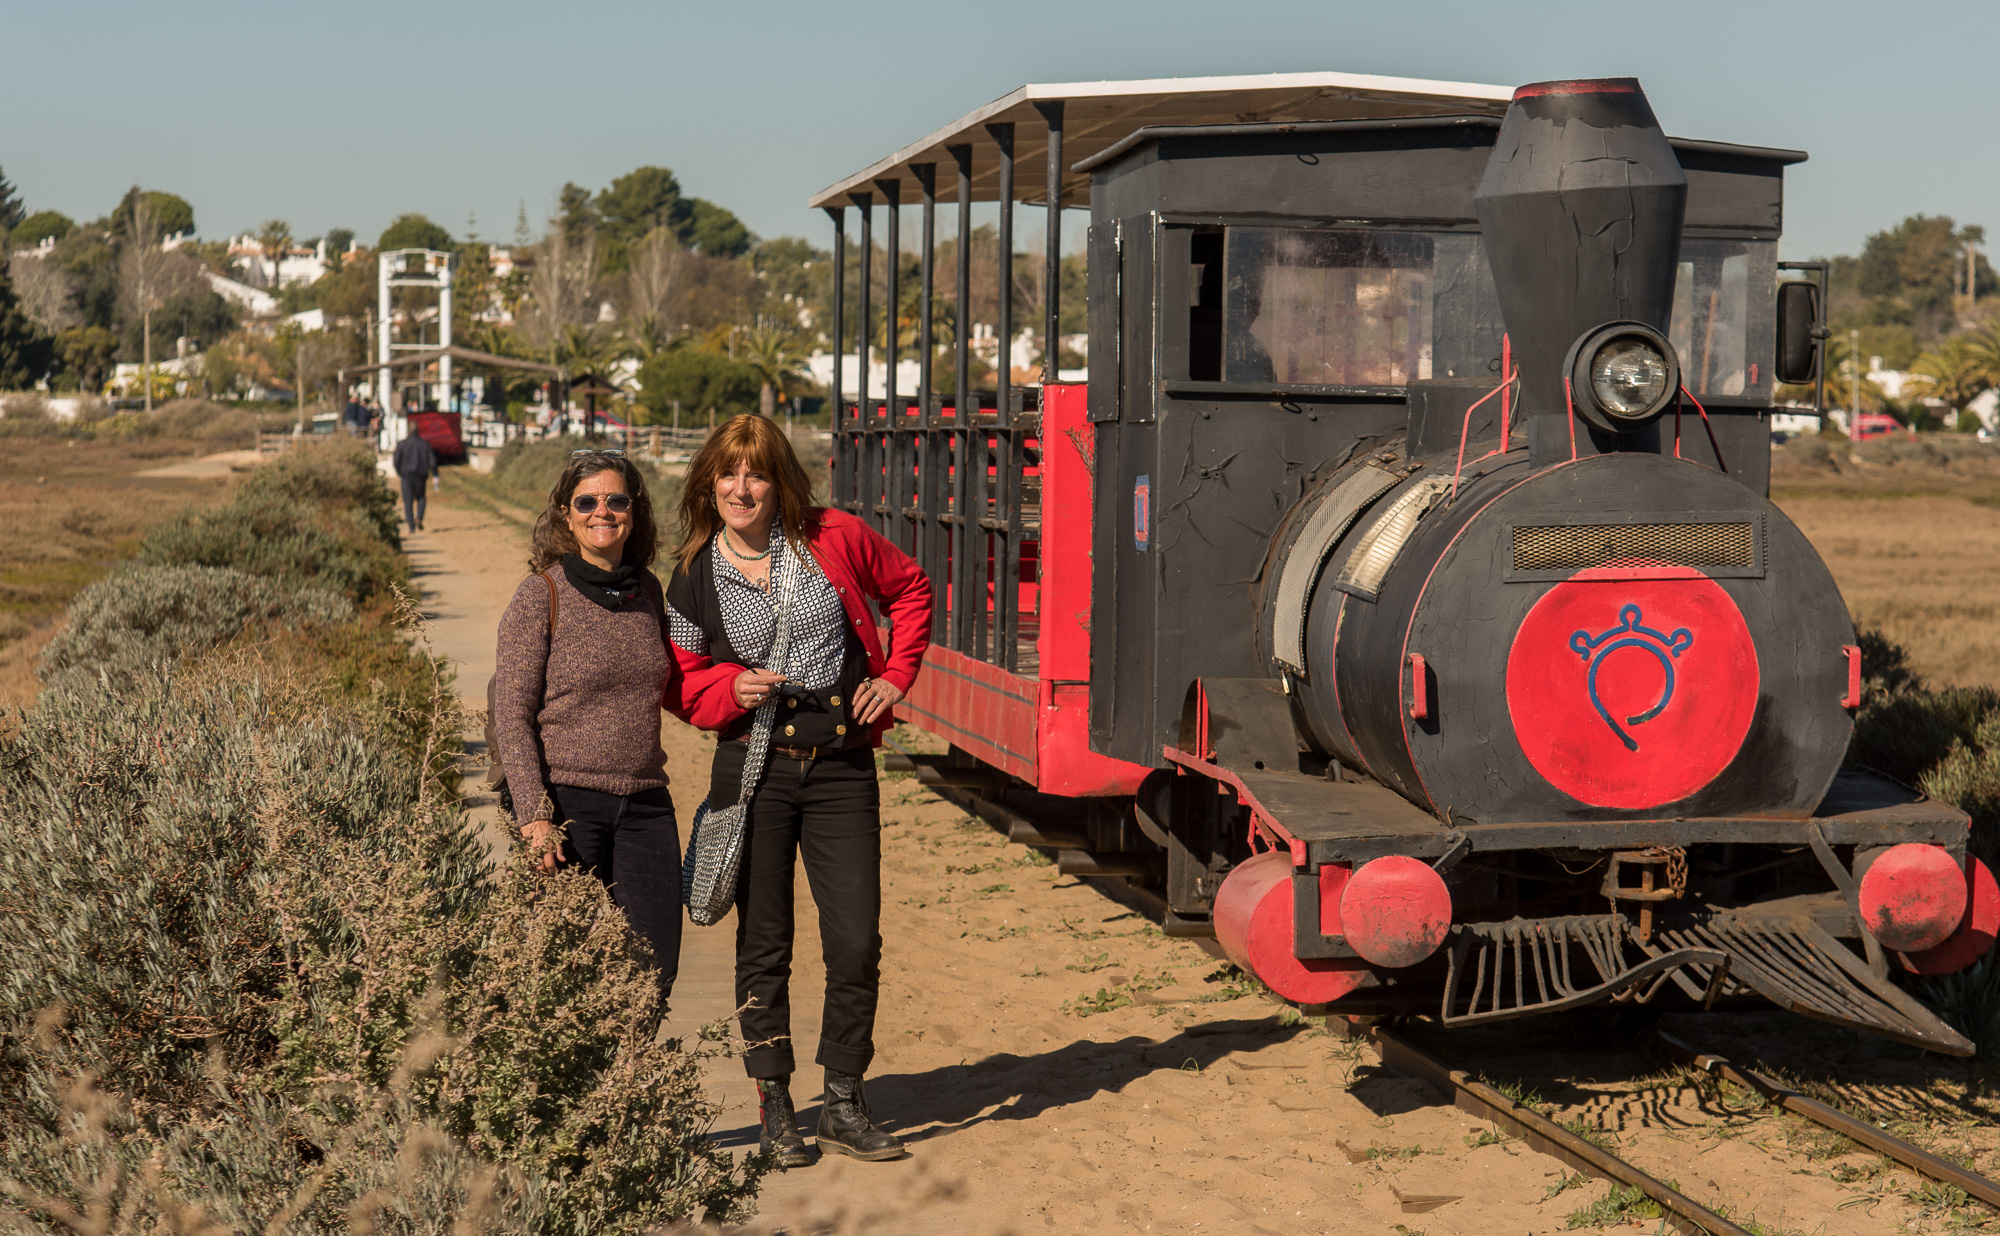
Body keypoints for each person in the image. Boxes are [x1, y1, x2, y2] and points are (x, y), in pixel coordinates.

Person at [665, 414, 931, 1169]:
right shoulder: (691, 573)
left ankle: (844, 1100)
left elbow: (910, 590)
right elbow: (680, 681)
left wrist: (893, 677)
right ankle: (776, 1103)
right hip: (753, 770)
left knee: (855, 940)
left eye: (755, 473)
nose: (741, 488)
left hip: (842, 764)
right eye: (727, 473)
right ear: (708, 484)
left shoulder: (833, 536)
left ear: (780, 480)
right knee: (764, 944)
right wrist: (731, 685)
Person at [492, 449, 682, 1005]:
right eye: (587, 502)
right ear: (565, 514)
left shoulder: (648, 591)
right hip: (567, 805)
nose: (603, 511)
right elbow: (512, 714)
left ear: (634, 511)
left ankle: (626, 1085)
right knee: (559, 968)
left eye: (616, 500)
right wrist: (534, 817)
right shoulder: (540, 596)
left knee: (653, 971)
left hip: (645, 802)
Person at [392, 427, 439, 532]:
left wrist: (399, 472)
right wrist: (435, 474)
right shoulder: (425, 444)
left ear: (407, 431)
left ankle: (411, 527)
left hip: (406, 476)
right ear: (418, 431)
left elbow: (396, 460)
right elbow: (432, 462)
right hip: (420, 476)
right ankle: (419, 518)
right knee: (421, 498)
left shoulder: (401, 444)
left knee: (408, 502)